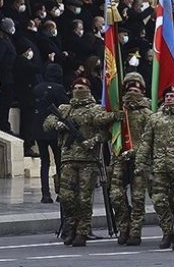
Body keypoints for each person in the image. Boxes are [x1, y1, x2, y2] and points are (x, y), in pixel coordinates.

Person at [44, 77, 120, 247]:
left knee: (84, 199)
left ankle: (82, 231)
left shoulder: (95, 110)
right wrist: (58, 124)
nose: (78, 90)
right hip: (68, 159)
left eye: (82, 87)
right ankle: (71, 226)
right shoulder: (65, 109)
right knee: (66, 197)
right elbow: (46, 122)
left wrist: (92, 141)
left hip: (88, 160)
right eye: (76, 87)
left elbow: (105, 130)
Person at [135, 85, 174, 251]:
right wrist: (140, 162)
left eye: (173, 95)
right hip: (159, 167)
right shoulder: (155, 119)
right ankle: (167, 231)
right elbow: (146, 142)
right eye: (167, 95)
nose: (169, 98)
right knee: (159, 200)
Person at [109, 73, 153, 245]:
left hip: (139, 160)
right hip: (120, 158)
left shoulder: (147, 114)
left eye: (135, 89)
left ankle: (135, 231)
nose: (132, 92)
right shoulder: (118, 112)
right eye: (128, 89)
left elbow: (150, 139)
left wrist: (137, 152)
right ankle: (123, 226)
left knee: (137, 198)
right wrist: (113, 116)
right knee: (116, 195)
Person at [33, 63, 68, 203]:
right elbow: (64, 106)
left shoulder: (37, 88)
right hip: (54, 129)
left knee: (44, 162)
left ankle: (45, 194)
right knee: (59, 160)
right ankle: (60, 192)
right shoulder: (59, 88)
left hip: (39, 129)